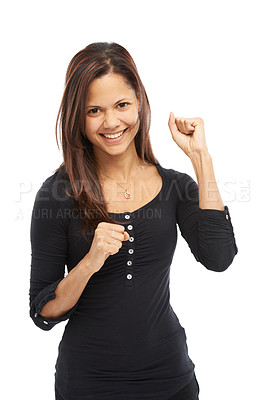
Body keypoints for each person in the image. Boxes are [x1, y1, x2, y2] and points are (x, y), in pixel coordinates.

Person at [29, 42, 238, 400]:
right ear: (78, 116)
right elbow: (42, 311)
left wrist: (201, 158)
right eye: (94, 110)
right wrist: (89, 262)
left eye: (122, 105)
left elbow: (218, 258)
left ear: (139, 102)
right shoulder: (57, 194)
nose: (111, 122)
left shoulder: (175, 186)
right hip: (87, 386)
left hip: (171, 380)